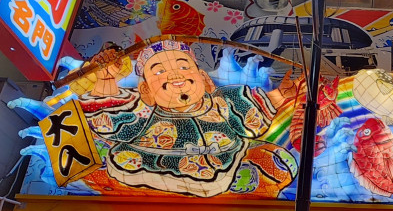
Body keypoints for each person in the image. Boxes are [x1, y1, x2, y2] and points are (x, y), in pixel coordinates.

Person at [87, 40, 297, 196]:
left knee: (278, 161)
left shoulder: (222, 102)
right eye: (159, 71)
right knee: (96, 154)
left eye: (184, 67)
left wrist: (280, 95)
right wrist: (106, 78)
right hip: (148, 172)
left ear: (204, 79)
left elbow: (250, 118)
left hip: (224, 169)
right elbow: (110, 123)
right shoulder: (144, 111)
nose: (175, 75)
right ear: (146, 90)